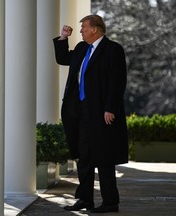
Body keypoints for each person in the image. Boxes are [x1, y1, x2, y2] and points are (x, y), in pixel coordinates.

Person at [53, 15, 128, 213]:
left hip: (102, 113)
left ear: (95, 29)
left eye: (84, 27)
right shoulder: (81, 48)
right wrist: (62, 38)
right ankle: (85, 199)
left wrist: (110, 108)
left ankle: (110, 202)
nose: (81, 31)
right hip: (80, 113)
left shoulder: (113, 50)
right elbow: (63, 59)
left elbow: (117, 81)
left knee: (104, 158)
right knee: (84, 158)